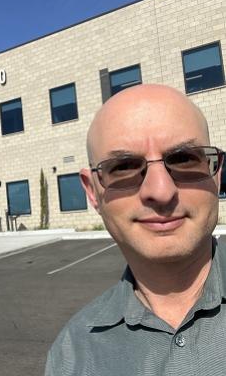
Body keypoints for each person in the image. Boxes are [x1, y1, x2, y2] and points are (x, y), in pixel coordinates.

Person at [45, 84, 226, 376]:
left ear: (215, 174)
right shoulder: (72, 354)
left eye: (184, 158)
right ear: (93, 192)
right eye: (124, 166)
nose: (161, 191)